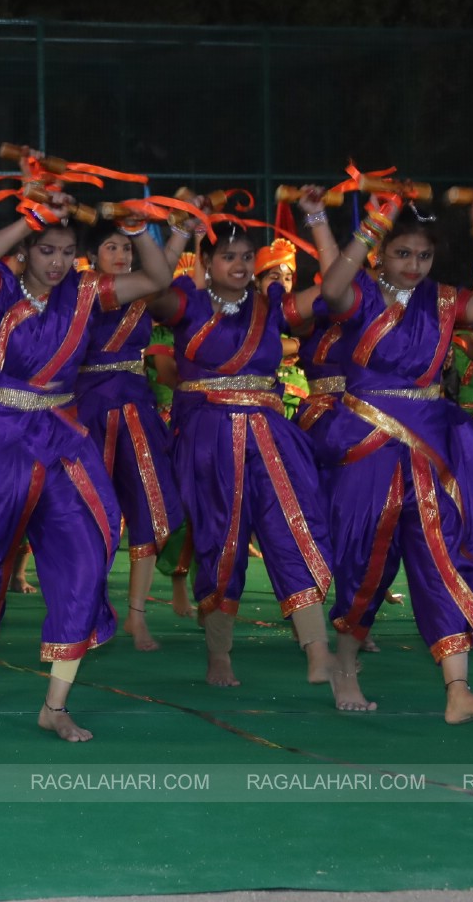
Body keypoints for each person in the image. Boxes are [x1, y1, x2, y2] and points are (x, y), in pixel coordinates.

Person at [312, 192, 473, 720]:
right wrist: (370, 227)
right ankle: (344, 665)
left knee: (443, 556)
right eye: (402, 254)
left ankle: (457, 691)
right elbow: (331, 287)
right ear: (382, 254)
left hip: (431, 449)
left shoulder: (444, 302)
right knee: (366, 562)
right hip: (370, 444)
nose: (413, 266)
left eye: (423, 257)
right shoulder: (358, 295)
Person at [0, 196, 173, 739]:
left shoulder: (86, 293)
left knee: (87, 551)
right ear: (25, 251)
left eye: (67, 253)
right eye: (46, 251)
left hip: (63, 437)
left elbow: (157, 276)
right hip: (0, 434)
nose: (56, 262)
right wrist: (30, 217)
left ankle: (56, 703)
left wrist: (137, 224)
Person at [144, 205, 337, 690]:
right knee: (220, 542)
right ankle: (219, 656)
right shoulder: (186, 302)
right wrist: (175, 237)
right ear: (206, 261)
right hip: (208, 439)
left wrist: (317, 220)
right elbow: (150, 289)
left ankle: (317, 651)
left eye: (247, 256)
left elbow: (334, 291)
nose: (240, 265)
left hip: (271, 436)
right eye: (228, 256)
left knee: (292, 527)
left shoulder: (271, 305)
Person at [73, 219, 183, 651]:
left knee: (148, 506)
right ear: (93, 256)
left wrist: (182, 232)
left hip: (135, 406)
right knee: (86, 514)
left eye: (126, 248)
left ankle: (137, 617)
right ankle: (85, 612)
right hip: (89, 410)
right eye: (111, 248)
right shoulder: (82, 290)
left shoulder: (143, 291)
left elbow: (165, 267)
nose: (120, 256)